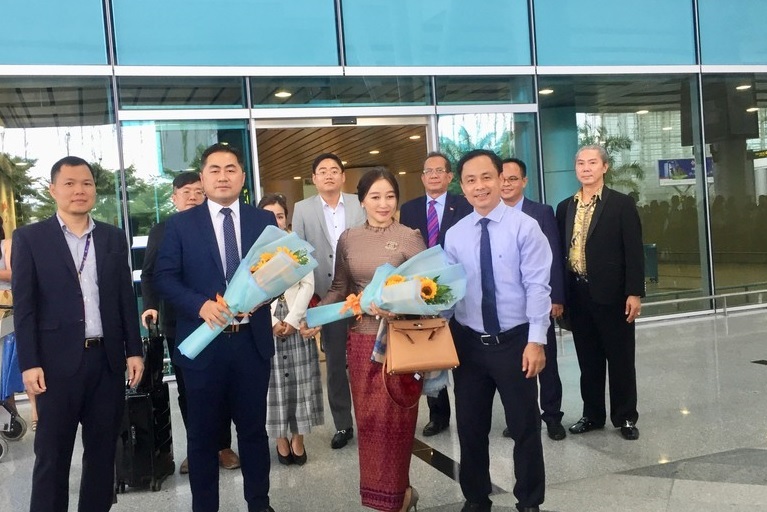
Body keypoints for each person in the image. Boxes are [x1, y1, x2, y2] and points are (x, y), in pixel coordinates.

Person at [12, 156, 144, 512]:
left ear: (94, 190)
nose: (79, 190)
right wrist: (29, 363)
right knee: (51, 455)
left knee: (103, 454)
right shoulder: (30, 238)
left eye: (86, 183)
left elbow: (124, 297)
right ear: (53, 190)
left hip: (106, 361)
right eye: (69, 183)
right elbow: (25, 308)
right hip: (55, 366)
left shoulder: (112, 237)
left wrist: (134, 350)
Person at [154, 143, 277, 512]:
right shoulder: (179, 225)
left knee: (253, 431)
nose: (223, 176)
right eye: (214, 170)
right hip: (204, 345)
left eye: (230, 169)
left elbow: (279, 271)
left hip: (251, 343)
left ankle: (259, 503)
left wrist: (265, 296)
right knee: (202, 436)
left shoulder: (263, 221)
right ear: (203, 177)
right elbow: (164, 277)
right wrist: (201, 305)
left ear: (242, 176)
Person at [303, 168, 425, 512]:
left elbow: (428, 292)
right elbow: (339, 288)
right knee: (370, 426)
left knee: (396, 425)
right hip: (359, 344)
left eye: (390, 196)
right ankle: (383, 498)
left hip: (398, 343)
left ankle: (398, 497)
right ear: (362, 201)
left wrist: (398, 307)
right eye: (375, 196)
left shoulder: (410, 237)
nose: (383, 203)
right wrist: (312, 317)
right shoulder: (349, 238)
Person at [444, 149, 551, 512]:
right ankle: (476, 498)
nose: (480, 186)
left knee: (524, 427)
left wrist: (536, 341)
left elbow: (538, 287)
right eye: (470, 180)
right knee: (470, 428)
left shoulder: (525, 227)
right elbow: (449, 294)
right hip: (469, 344)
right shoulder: (455, 235)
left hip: (515, 343)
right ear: (462, 187)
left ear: (501, 179)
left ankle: (529, 501)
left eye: (486, 177)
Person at [141, 171, 240, 473]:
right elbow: (150, 274)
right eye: (186, 192)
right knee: (188, 388)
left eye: (198, 191)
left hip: (219, 318)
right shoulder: (163, 230)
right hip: (179, 322)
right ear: (174, 198)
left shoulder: (216, 225)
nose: (193, 197)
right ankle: (198, 448)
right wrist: (150, 306)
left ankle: (223, 446)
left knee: (222, 385)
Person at [555, 145, 644, 441]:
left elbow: (634, 251)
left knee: (621, 360)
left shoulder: (621, 204)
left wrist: (634, 293)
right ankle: (592, 415)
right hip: (578, 294)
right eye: (581, 163)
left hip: (614, 295)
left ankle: (625, 417)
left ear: (605, 167)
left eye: (592, 162)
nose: (586, 168)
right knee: (588, 361)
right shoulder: (565, 207)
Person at [292, 153, 365, 450]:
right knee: (335, 364)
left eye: (334, 170)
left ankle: (371, 418)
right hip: (327, 296)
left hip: (362, 294)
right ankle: (343, 424)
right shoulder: (302, 208)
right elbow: (299, 255)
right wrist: (310, 301)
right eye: (322, 171)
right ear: (314, 178)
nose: (329, 175)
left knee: (366, 361)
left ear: (343, 176)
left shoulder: (360, 203)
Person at [399, 151, 472, 437]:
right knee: (430, 353)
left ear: (450, 176)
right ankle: (438, 415)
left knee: (462, 351)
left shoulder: (463, 205)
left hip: (458, 286)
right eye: (428, 171)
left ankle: (469, 410)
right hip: (423, 291)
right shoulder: (409, 208)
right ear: (422, 177)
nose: (433, 175)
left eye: (439, 170)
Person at [499, 158, 567, 441]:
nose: (506, 184)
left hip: (539, 301)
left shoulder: (541, 212)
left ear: (524, 182)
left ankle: (552, 416)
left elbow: (554, 257)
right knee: (514, 367)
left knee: (546, 362)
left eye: (513, 179)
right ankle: (520, 418)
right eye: (502, 179)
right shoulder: (492, 214)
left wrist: (556, 297)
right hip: (508, 307)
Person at [257, 193, 323, 467]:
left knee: (301, 382)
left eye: (280, 216)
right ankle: (279, 438)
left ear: (286, 219)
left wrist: (293, 320)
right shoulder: (254, 250)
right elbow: (252, 290)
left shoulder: (298, 246)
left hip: (297, 318)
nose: (275, 221)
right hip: (266, 321)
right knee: (273, 386)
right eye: (268, 216)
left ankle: (298, 437)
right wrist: (272, 321)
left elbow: (308, 285)